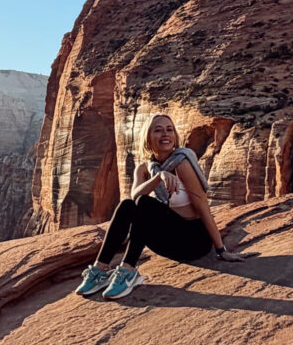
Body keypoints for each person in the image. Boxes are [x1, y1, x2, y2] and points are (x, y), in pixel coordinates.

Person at [76, 114, 235, 302]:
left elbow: (202, 206)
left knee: (145, 204)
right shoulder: (144, 169)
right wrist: (158, 178)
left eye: (169, 130)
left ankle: (128, 271)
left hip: (193, 242)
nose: (165, 134)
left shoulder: (181, 163)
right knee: (128, 204)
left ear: (174, 136)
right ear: (148, 136)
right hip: (168, 242)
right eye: (158, 130)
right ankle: (99, 270)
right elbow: (134, 196)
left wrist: (221, 250)